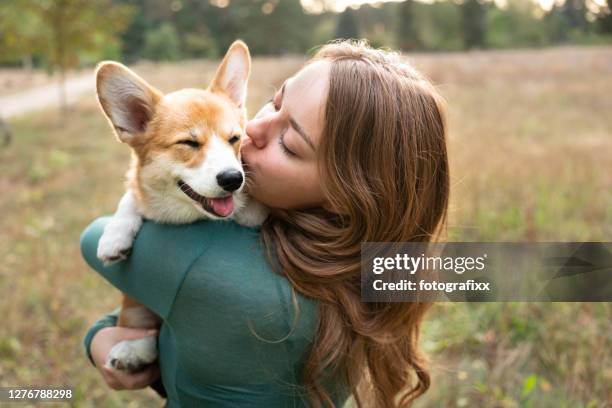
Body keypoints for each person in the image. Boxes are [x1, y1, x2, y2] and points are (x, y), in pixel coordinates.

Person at [81, 40, 449, 408]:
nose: (250, 129)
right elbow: (496, 270)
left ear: (346, 195)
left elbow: (93, 240)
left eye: (288, 143)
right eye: (275, 102)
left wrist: (97, 338)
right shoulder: (380, 268)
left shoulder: (201, 266)